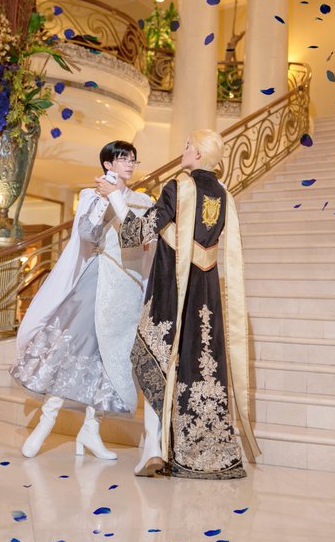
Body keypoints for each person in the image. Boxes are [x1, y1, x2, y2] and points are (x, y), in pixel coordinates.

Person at [96, 129, 260, 479]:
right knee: (195, 366)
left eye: (187, 146)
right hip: (206, 293)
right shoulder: (224, 194)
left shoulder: (178, 186)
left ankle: (153, 448)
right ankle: (192, 449)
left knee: (152, 359)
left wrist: (115, 197)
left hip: (172, 289)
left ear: (198, 154)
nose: (183, 151)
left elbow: (140, 231)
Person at [11, 141, 153, 459]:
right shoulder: (91, 196)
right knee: (73, 347)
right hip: (98, 278)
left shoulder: (144, 201)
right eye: (123, 159)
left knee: (110, 359)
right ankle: (45, 424)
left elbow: (142, 241)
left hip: (126, 286)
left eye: (133, 159)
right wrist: (107, 200)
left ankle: (91, 430)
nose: (130, 164)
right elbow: (88, 235)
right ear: (108, 164)